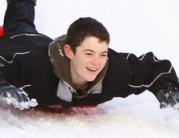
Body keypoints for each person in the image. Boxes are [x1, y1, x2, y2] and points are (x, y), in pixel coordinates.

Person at [0, 0, 179, 111]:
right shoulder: (33, 68)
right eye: (88, 53)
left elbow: (154, 68)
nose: (96, 62)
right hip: (17, 43)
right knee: (21, 24)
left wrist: (167, 87)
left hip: (42, 42)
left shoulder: (113, 70)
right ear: (70, 51)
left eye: (103, 54)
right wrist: (3, 83)